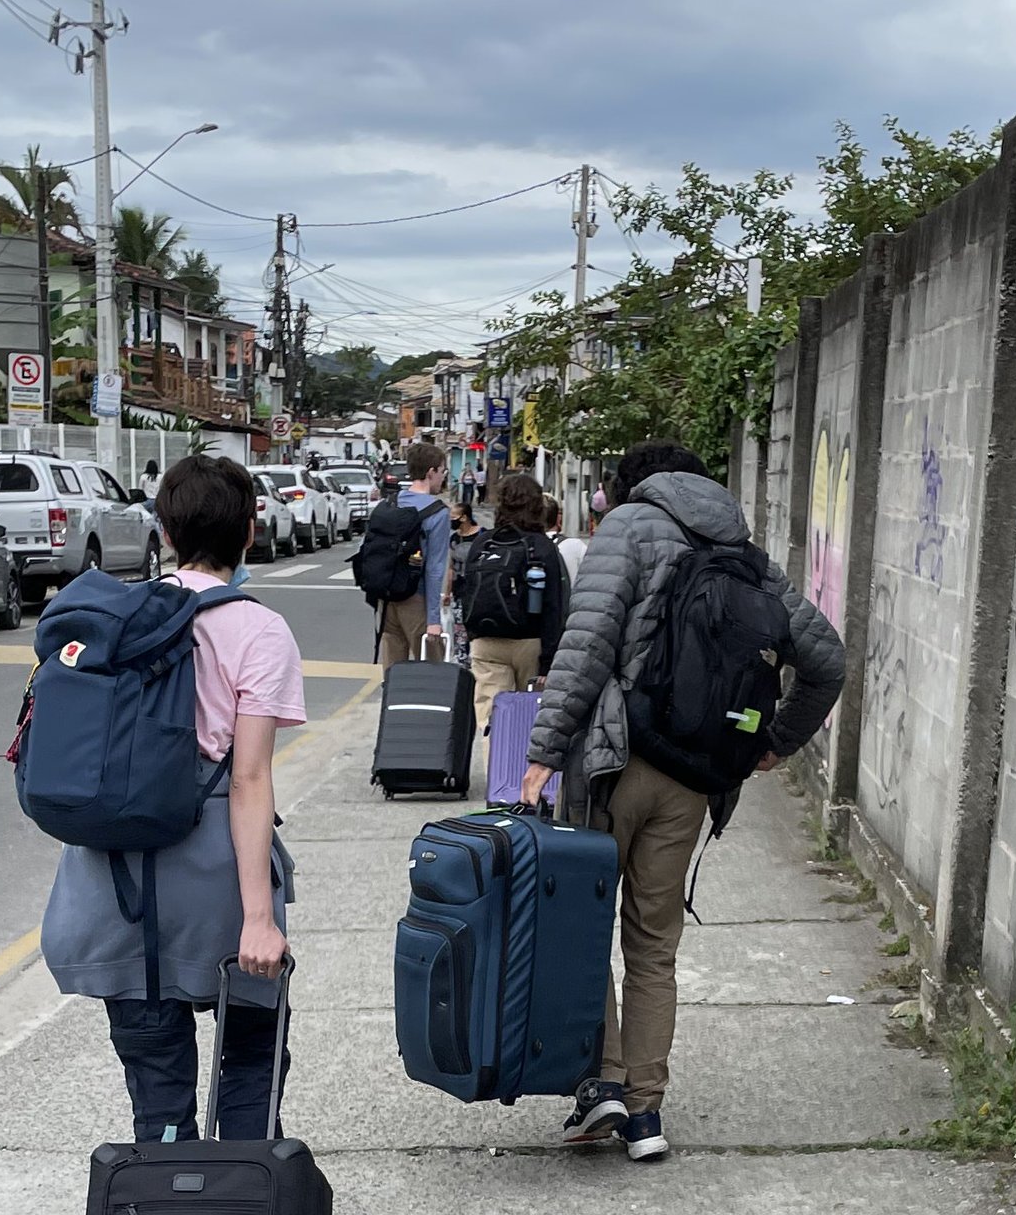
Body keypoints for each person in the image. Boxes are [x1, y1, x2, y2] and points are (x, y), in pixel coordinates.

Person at [524, 438, 844, 1163]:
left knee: (583, 926)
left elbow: (587, 645)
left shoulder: (628, 529)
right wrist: (776, 743)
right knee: (654, 944)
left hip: (612, 761)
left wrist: (543, 752)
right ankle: (645, 1114)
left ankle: (600, 1084)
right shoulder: (748, 556)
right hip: (694, 777)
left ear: (633, 484)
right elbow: (828, 661)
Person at [39, 447, 305, 1139]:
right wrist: (258, 917)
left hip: (115, 887)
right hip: (217, 885)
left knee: (158, 1106)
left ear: (163, 532)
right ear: (251, 530)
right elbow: (248, 779)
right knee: (252, 1056)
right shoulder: (260, 632)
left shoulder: (117, 620)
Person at [452, 468, 570, 749]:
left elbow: (466, 590)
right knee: (531, 719)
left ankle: (498, 784)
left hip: (485, 642)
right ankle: (527, 787)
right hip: (530, 642)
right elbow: (555, 607)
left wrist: (471, 636)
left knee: (492, 719)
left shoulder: (483, 541)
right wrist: (548, 662)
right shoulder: (542, 546)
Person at [352, 436, 452, 666]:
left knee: (393, 671)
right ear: (431, 472)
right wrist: (434, 619)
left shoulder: (390, 503)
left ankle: (390, 703)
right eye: (442, 471)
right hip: (416, 599)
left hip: (386, 600)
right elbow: (435, 568)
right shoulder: (437, 512)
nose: (443, 477)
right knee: (431, 671)